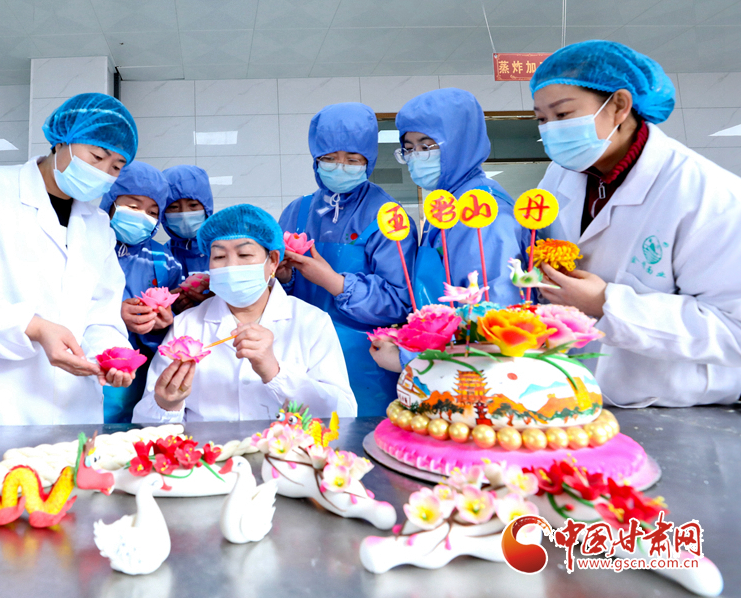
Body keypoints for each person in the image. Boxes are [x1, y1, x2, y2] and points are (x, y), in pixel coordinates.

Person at [531, 40, 741, 407]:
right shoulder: (560, 176)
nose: (551, 131)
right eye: (541, 120)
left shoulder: (708, 194)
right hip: (573, 396)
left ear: (619, 105)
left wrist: (607, 304)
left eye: (563, 114)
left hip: (678, 406)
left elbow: (732, 331)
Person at [0, 93, 139, 426]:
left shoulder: (98, 225)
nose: (103, 172)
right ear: (61, 142)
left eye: (116, 167)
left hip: (71, 408)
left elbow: (101, 312)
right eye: (97, 156)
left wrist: (111, 355)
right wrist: (33, 327)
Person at [133, 204, 356, 423]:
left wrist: (276, 372)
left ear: (273, 261)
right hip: (207, 448)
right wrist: (166, 405)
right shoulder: (186, 325)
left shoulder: (311, 321)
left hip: (288, 447)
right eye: (219, 257)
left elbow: (344, 414)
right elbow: (145, 422)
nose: (231, 266)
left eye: (245, 254)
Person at [276, 102, 416, 416]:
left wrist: (335, 283)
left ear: (369, 160)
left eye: (352, 160)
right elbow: (275, 296)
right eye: (329, 158)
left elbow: (401, 301)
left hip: (363, 363)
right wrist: (284, 278)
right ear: (315, 159)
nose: (340, 167)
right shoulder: (297, 212)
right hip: (300, 356)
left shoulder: (389, 217)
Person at [395, 88, 531, 307]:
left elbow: (494, 305)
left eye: (426, 146)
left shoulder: (482, 208)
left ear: (459, 143)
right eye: (409, 149)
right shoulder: (448, 202)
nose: (416, 157)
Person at [99, 161, 183, 423]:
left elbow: (175, 324)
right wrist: (113, 313)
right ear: (111, 201)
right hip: (86, 367)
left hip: (139, 375)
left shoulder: (163, 259)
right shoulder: (83, 246)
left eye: (152, 212)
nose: (141, 216)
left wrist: (162, 324)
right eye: (133, 207)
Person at [162, 165, 215, 308]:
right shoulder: (162, 256)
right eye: (173, 207)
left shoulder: (222, 251)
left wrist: (216, 301)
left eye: (193, 205)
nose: (184, 215)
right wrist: (172, 308)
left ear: (207, 207)